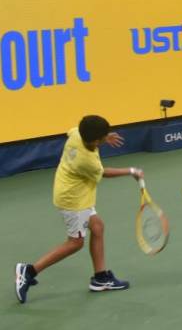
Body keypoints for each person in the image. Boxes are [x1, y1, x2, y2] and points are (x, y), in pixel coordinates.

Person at [15, 115, 144, 304]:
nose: (104, 140)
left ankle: (100, 278)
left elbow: (77, 130)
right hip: (74, 200)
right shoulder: (87, 160)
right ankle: (29, 271)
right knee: (75, 242)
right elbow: (104, 173)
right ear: (94, 140)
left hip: (70, 189)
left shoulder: (76, 133)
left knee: (98, 227)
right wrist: (132, 171)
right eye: (102, 138)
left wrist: (104, 138)